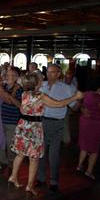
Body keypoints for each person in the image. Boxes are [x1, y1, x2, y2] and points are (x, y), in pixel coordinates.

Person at [8, 74, 83, 196]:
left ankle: (13, 177)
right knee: (34, 158)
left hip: (23, 125)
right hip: (34, 127)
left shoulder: (25, 94)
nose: (42, 82)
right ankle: (29, 186)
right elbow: (58, 104)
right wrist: (75, 96)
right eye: (40, 80)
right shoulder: (40, 96)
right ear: (36, 83)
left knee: (20, 153)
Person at [37, 64, 77, 192]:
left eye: (53, 72)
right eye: (48, 72)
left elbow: (75, 106)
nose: (49, 74)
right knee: (41, 153)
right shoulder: (41, 85)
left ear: (59, 74)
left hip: (57, 123)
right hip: (42, 121)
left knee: (53, 154)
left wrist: (79, 101)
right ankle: (41, 178)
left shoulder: (66, 88)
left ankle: (54, 180)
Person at [76, 78, 100, 180]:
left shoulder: (85, 94)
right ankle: (89, 171)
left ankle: (79, 165)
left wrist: (83, 109)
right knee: (94, 149)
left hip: (84, 122)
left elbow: (79, 106)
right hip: (94, 124)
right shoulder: (99, 98)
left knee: (84, 146)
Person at [0, 68, 23, 167]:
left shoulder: (20, 89)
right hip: (0, 118)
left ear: (16, 77)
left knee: (10, 143)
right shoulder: (2, 87)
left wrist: (9, 97)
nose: (8, 77)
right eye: (7, 75)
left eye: (11, 75)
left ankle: (12, 162)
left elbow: (19, 105)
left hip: (12, 120)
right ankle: (3, 161)